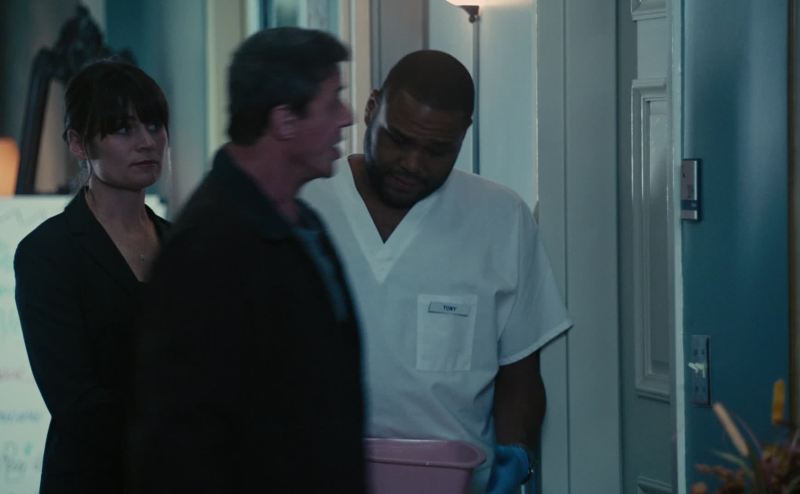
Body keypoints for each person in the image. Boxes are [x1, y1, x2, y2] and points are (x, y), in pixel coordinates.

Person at [301, 50, 573, 493]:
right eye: (398, 139)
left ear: (464, 135)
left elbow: (520, 375)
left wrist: (517, 456)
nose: (412, 163)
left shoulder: (501, 218)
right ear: (371, 109)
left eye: (436, 151)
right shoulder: (304, 203)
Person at [125, 27, 364, 493]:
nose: (347, 117)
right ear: (285, 120)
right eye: (333, 101)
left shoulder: (305, 225)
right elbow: (177, 444)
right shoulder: (208, 248)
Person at [14, 59, 171, 494]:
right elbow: (74, 401)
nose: (147, 142)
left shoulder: (180, 244)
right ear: (79, 143)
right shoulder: (48, 252)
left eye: (154, 125)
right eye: (122, 129)